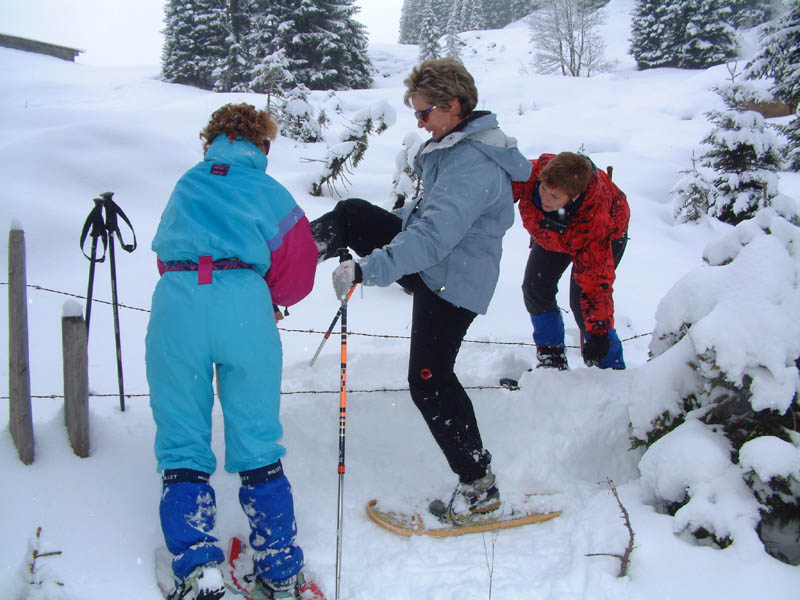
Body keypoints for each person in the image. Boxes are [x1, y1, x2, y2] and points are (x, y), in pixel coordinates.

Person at [311, 58, 532, 523]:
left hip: (454, 283)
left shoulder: (472, 162)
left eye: (424, 113)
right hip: (437, 267)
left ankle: (480, 488)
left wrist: (369, 269)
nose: (419, 123)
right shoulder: (454, 146)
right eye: (415, 113)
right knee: (353, 215)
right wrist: (387, 239)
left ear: (454, 106)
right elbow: (426, 220)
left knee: (430, 382)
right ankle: (284, 265)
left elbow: (433, 237)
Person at [145, 103, 317, 600]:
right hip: (244, 307)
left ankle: (198, 568)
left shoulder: (187, 184)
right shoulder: (268, 191)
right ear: (261, 144)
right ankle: (279, 568)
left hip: (178, 304)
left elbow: (165, 254)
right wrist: (265, 296)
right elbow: (299, 267)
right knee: (257, 437)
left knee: (181, 437)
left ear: (212, 140)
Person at [511, 152, 630, 370]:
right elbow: (497, 183)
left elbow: (595, 284)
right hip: (553, 234)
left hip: (599, 238)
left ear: (574, 197)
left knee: (583, 305)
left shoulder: (596, 223)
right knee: (535, 287)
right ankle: (551, 357)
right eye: (543, 189)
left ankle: (611, 368)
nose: (545, 198)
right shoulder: (531, 174)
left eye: (554, 196)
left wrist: (599, 333)